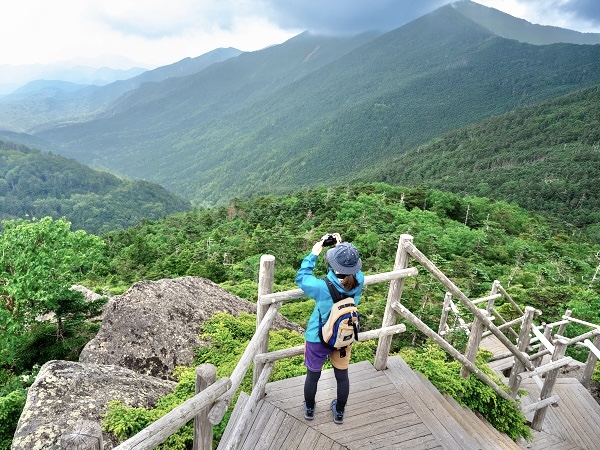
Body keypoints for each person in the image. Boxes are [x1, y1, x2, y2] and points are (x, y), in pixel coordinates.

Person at [295, 233, 364, 424]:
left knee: (313, 376)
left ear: (334, 265)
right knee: (342, 377)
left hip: (318, 338)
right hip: (343, 337)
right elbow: (352, 272)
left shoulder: (321, 287)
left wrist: (314, 253)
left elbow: (302, 277)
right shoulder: (359, 280)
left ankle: (309, 409)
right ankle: (339, 412)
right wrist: (342, 249)